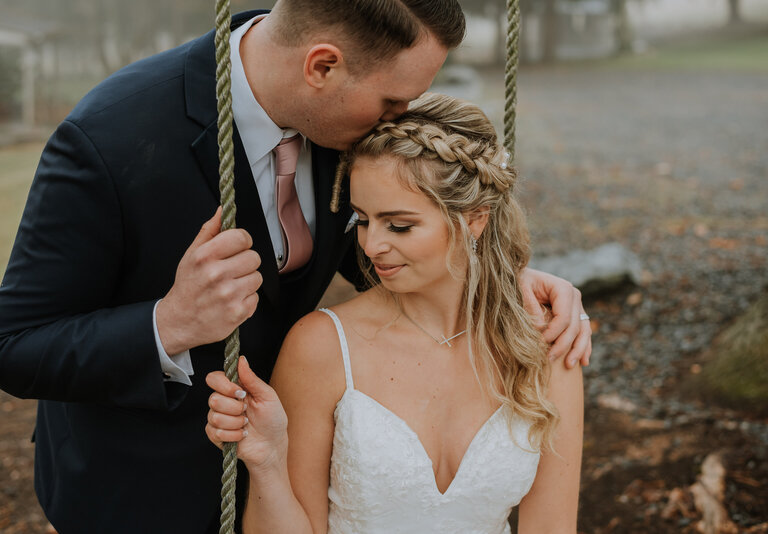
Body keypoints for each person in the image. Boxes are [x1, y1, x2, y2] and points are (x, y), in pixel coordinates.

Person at [0, 2, 589, 533]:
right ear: (322, 66)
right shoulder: (110, 136)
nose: (399, 120)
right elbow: (13, 347)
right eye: (393, 100)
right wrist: (170, 323)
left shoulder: (341, 121)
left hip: (311, 472)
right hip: (145, 489)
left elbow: (379, 231)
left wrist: (495, 282)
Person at [206, 92, 584, 533]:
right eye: (363, 220)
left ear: (475, 219)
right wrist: (268, 463)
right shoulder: (322, 346)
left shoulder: (547, 342)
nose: (371, 246)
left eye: (399, 225)